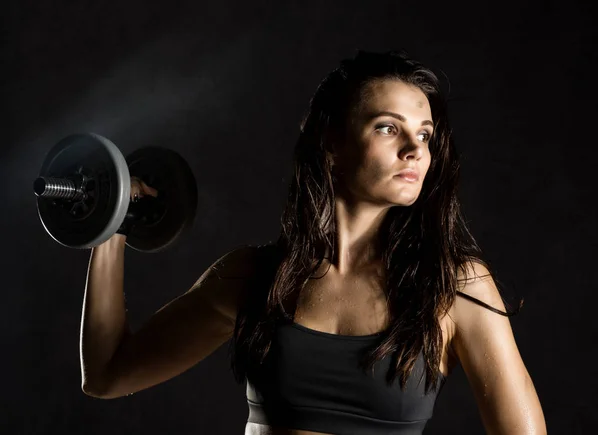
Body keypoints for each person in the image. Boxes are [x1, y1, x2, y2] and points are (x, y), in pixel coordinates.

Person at [80, 50, 547, 434]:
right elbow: (109, 374)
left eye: (424, 134)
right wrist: (114, 222)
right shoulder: (251, 278)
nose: (415, 149)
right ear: (331, 141)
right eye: (388, 127)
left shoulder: (455, 288)